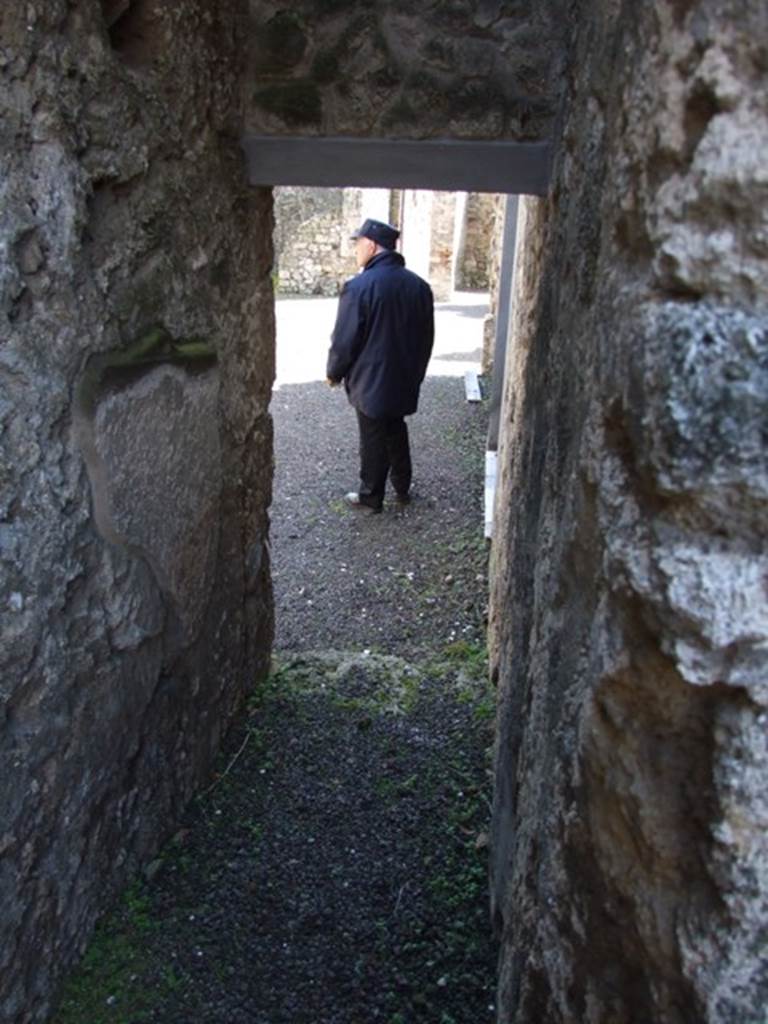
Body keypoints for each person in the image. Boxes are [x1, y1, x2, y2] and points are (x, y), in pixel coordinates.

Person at [326, 218, 434, 513]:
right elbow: (427, 337)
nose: (356, 251)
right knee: (395, 425)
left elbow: (345, 339)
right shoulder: (419, 287)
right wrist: (416, 373)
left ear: (371, 245)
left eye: (358, 244)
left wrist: (334, 372)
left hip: (370, 377)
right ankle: (402, 484)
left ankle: (371, 495)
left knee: (372, 433)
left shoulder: (359, 287)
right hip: (404, 375)